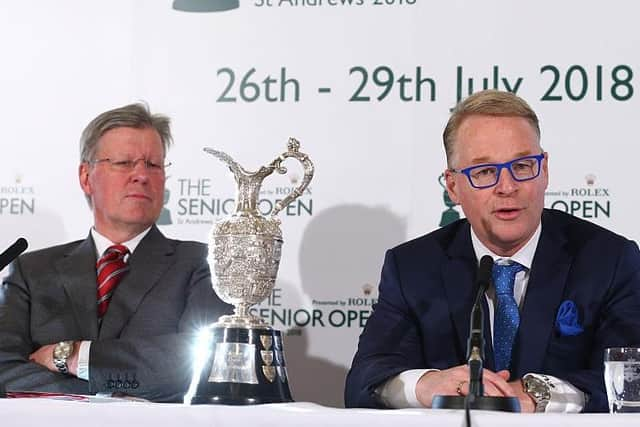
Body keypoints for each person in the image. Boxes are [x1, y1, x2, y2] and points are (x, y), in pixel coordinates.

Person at [345, 90, 640, 413]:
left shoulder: (608, 260)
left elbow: (631, 379)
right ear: (453, 187)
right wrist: (427, 385)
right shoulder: (413, 268)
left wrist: (536, 395)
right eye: (485, 172)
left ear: (544, 170)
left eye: (523, 166)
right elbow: (363, 382)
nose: (507, 187)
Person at [0, 103, 230, 401]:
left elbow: (199, 361)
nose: (141, 175)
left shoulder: (204, 264)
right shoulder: (31, 271)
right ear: (86, 177)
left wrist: (73, 355)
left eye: (153, 165)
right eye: (123, 163)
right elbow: (4, 368)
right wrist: (97, 399)